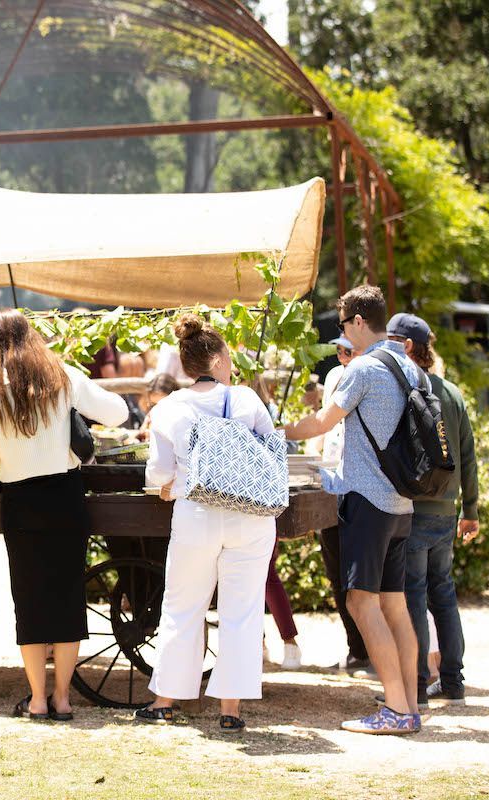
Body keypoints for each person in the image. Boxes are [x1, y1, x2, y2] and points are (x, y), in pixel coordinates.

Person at [0, 310, 128, 721]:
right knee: (67, 596)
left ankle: (37, 700)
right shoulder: (64, 374)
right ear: (33, 335)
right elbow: (119, 414)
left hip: (21, 499)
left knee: (31, 598)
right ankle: (63, 699)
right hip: (66, 495)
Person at [283, 285, 422, 734]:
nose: (343, 333)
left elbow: (321, 423)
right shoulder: (408, 365)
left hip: (368, 499)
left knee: (361, 603)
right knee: (395, 607)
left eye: (343, 324)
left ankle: (397, 711)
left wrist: (273, 426)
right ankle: (410, 705)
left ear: (359, 321)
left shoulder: (362, 368)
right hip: (402, 503)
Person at [135, 314, 277, 732]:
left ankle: (164, 701)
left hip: (196, 513)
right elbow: (273, 451)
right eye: (229, 357)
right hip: (250, 515)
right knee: (242, 611)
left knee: (182, 607)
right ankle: (230, 710)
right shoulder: (246, 401)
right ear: (216, 360)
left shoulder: (170, 408)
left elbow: (160, 473)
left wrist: (167, 486)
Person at [387, 313, 480, 706]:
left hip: (414, 508)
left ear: (407, 348)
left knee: (414, 596)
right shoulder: (453, 394)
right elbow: (470, 457)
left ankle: (418, 682)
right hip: (446, 511)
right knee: (443, 593)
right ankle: (453, 682)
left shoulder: (405, 390)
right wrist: (470, 510)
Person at [309, 336, 371, 673]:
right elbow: (324, 427)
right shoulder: (334, 376)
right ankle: (356, 649)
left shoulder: (370, 375)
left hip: (361, 486)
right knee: (336, 573)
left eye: (350, 349)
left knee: (361, 576)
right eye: (339, 350)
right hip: (330, 481)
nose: (343, 356)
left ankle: (369, 651)